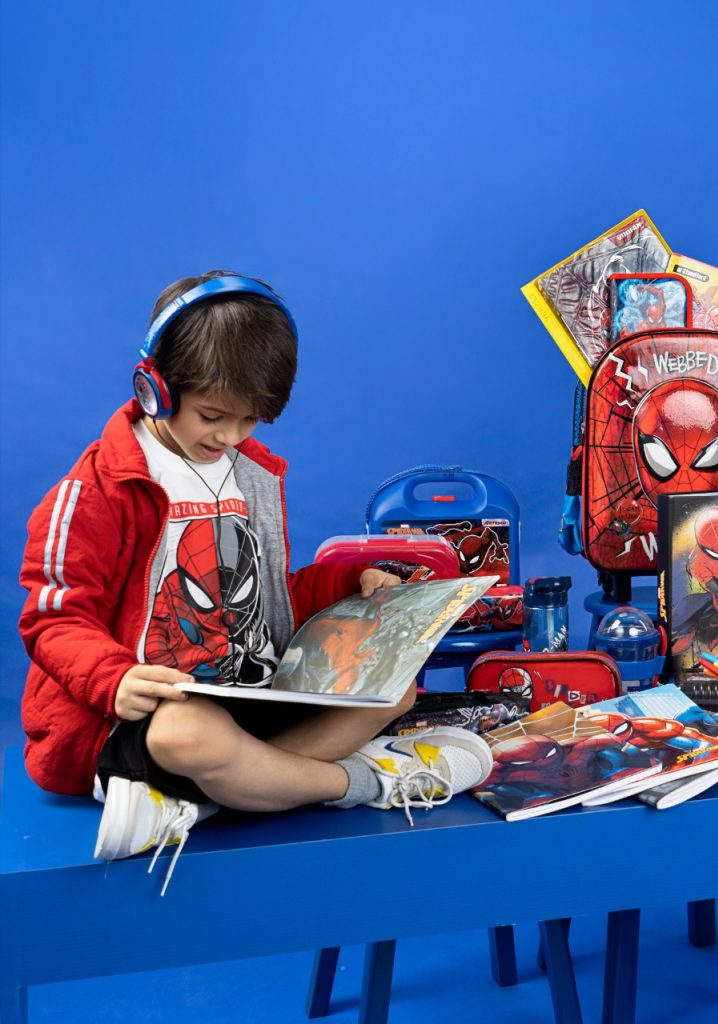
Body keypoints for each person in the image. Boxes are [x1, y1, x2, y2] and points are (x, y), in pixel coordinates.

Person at [18, 271, 492, 891]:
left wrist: (347, 584)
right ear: (154, 386)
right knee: (190, 735)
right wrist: (115, 679)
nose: (230, 436)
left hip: (254, 696)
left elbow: (266, 596)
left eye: (250, 420)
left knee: (395, 691)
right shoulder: (97, 489)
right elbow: (53, 616)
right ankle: (369, 780)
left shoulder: (250, 477)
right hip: (147, 714)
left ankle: (204, 799)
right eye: (213, 415)